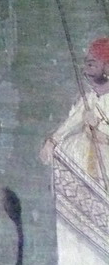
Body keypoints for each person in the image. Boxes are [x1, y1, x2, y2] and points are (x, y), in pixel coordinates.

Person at [41, 38, 109, 186]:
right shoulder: (89, 98)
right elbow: (72, 121)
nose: (86, 71)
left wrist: (99, 132)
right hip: (82, 158)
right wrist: (52, 141)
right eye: (87, 64)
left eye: (92, 64)